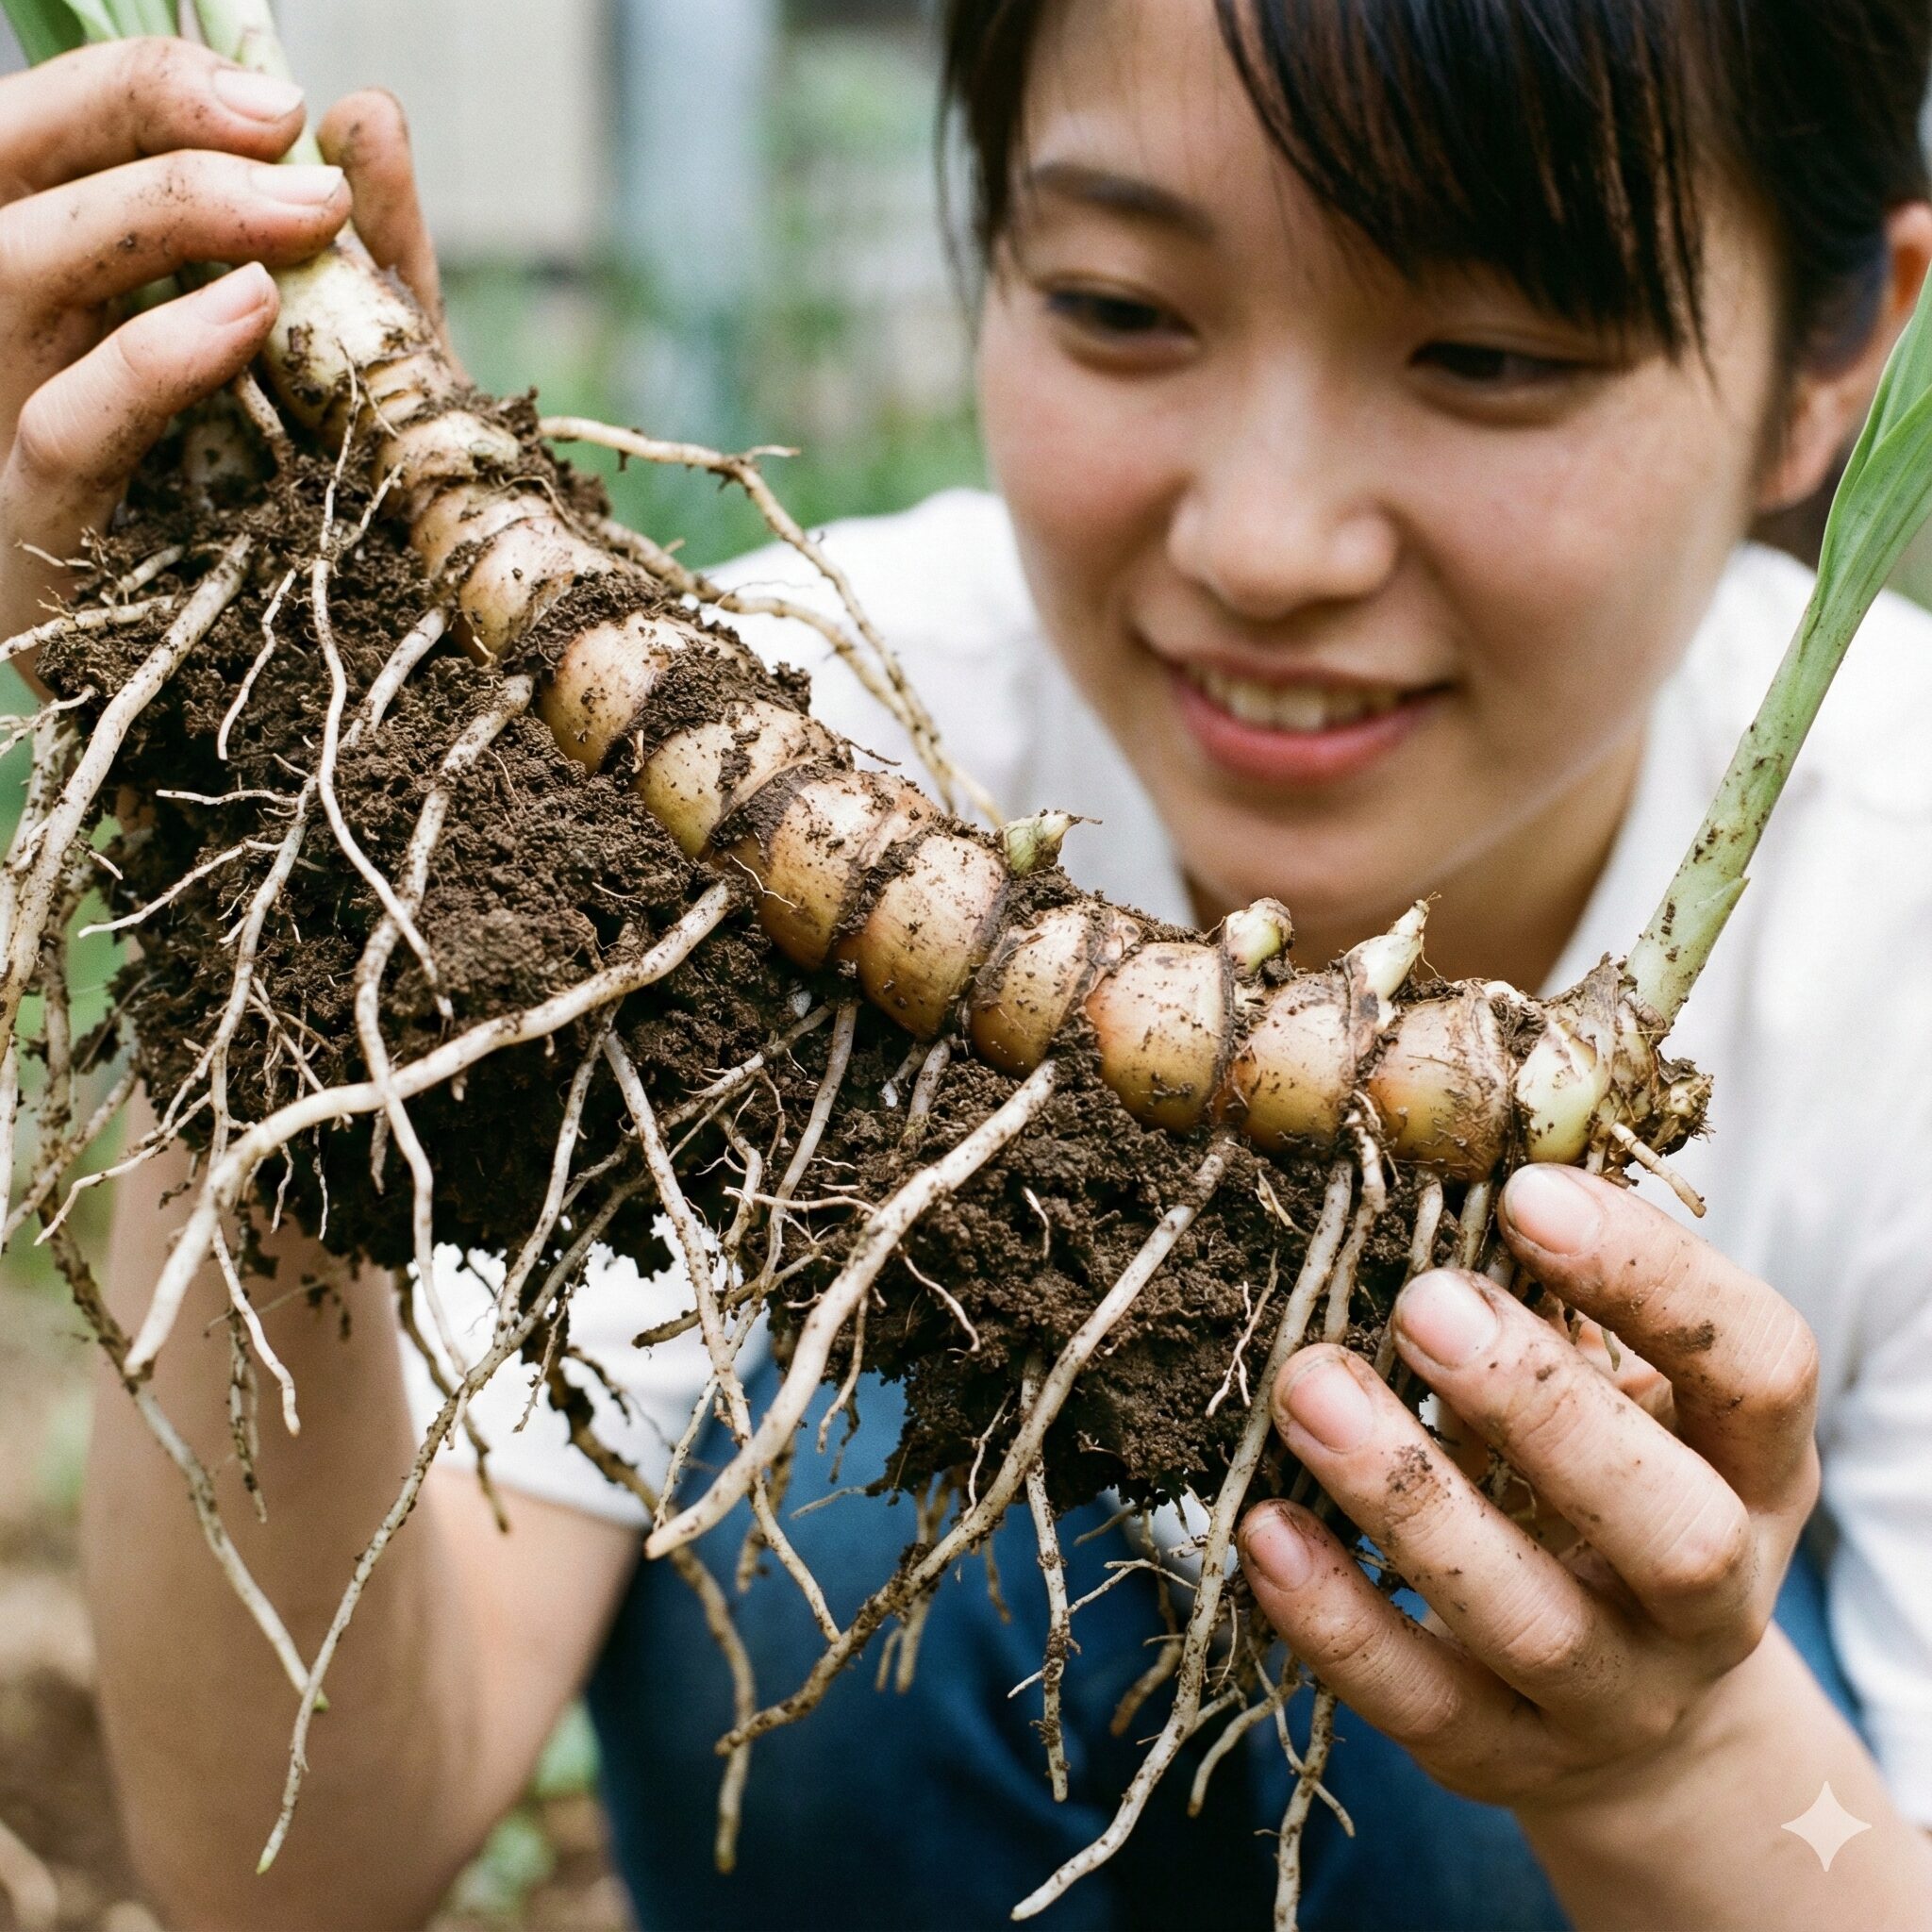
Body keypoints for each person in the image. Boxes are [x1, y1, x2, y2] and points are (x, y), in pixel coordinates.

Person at [2, 3, 1930, 1926]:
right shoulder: (704, 763)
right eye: (1118, 307)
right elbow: (298, 1869)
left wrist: (1675, 1748)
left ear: (1834, 353)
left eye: (1490, 358)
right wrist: (270, 819)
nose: (1265, 545)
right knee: (850, 1459)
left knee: (1521, 1536)